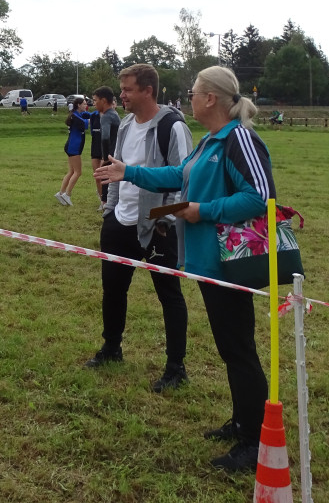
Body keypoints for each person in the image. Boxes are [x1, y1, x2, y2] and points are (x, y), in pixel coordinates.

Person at [96, 65, 273, 472]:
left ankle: (254, 440)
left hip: (232, 262)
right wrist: (129, 172)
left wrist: (201, 211)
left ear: (210, 98)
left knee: (240, 349)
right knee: (230, 347)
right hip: (209, 261)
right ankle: (243, 420)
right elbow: (178, 174)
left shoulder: (238, 138)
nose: (187, 98)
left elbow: (261, 197)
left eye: (193, 92)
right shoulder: (211, 141)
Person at [86, 64, 192, 394]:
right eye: (122, 89)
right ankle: (111, 348)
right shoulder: (127, 123)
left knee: (169, 295)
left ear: (148, 90)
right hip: (120, 222)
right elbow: (116, 168)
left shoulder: (172, 126)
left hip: (159, 226)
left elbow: (187, 180)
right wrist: (110, 210)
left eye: (128, 89)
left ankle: (176, 368)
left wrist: (165, 218)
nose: (122, 95)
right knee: (113, 289)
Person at [89, 87, 120, 212]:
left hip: (111, 154)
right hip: (117, 153)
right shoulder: (114, 114)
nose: (94, 103)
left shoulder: (106, 116)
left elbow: (105, 137)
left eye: (95, 100)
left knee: (106, 179)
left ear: (103, 100)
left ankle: (105, 204)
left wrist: (105, 158)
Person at [55, 97, 90, 205]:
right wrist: (93, 119)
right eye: (84, 104)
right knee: (78, 172)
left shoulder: (77, 114)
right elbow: (86, 123)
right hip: (73, 147)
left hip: (71, 146)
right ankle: (67, 194)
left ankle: (61, 193)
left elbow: (88, 115)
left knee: (71, 171)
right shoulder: (75, 116)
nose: (86, 106)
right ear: (78, 105)